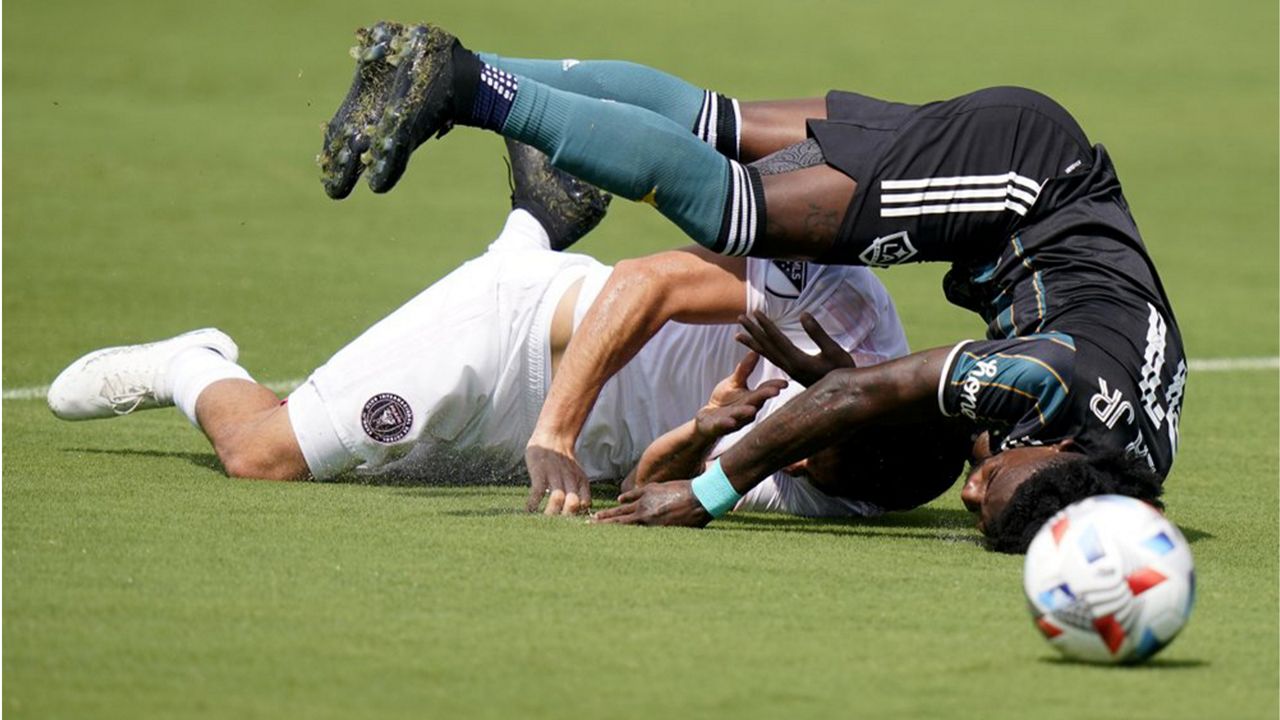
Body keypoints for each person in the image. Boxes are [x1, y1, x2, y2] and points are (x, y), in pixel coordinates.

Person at [317, 23, 1184, 551]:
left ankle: (438, 67)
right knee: (736, 213)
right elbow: (858, 393)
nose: (969, 488)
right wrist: (708, 494)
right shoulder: (1054, 385)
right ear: (1066, 460)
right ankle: (469, 89)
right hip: (1014, 190)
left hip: (1028, 159)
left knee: (716, 124)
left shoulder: (1128, 462)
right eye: (992, 487)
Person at [49, 140, 958, 519]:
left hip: (571, 443)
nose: (791, 456)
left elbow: (646, 484)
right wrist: (554, 429)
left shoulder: (837, 488)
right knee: (265, 456)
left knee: (406, 475)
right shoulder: (842, 301)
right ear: (862, 393)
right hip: (512, 340)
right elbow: (646, 283)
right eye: (811, 446)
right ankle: (187, 361)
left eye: (807, 468)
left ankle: (532, 226)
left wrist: (702, 432)